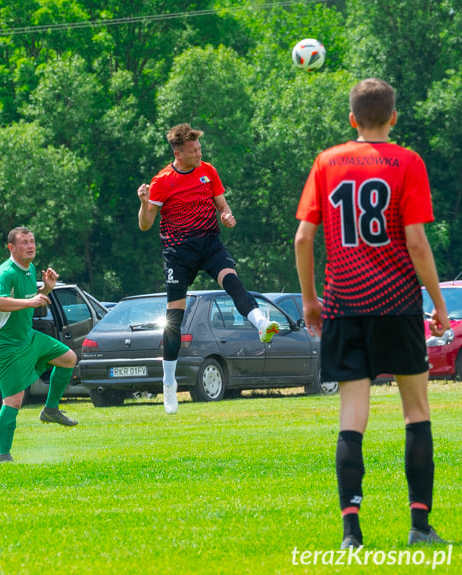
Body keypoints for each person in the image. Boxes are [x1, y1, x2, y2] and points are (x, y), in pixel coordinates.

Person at [294, 78, 450, 549]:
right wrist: (439, 304)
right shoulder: (408, 161)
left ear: (352, 120)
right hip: (398, 303)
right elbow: (417, 242)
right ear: (394, 118)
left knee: (351, 415)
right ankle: (420, 526)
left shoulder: (327, 162)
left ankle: (351, 532)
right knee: (416, 411)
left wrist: (309, 301)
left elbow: (303, 238)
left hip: (344, 304)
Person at [137, 123, 279, 415]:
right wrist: (143, 203)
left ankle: (262, 324)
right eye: (193, 150)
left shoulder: (208, 171)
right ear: (178, 154)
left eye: (200, 148)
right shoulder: (163, 180)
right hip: (179, 253)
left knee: (233, 283)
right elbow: (145, 224)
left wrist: (227, 215)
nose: (199, 153)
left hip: (210, 244)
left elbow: (222, 206)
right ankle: (169, 384)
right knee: (175, 318)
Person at [0, 226, 78, 464]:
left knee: (68, 358)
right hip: (5, 346)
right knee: (14, 399)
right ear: (11, 247)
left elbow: (31, 299)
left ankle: (51, 410)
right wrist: (30, 302)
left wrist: (46, 288)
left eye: (32, 241)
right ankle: (3, 455)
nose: (30, 246)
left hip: (27, 337)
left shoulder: (30, 269)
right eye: (24, 242)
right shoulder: (5, 273)